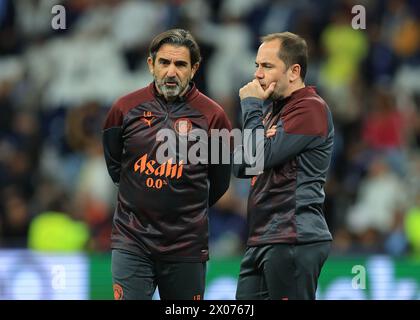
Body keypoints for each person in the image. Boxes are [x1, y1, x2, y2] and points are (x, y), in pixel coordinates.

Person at [102, 29, 232, 300]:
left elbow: (219, 183)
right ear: (151, 65)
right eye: (164, 62)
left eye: (180, 64)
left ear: (194, 68)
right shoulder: (124, 109)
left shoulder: (214, 117)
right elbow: (115, 166)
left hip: (186, 245)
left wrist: (184, 209)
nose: (171, 72)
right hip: (131, 240)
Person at [233, 32, 334, 300]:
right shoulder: (271, 113)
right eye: (257, 65)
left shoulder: (310, 108)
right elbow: (241, 166)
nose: (258, 75)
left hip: (293, 235)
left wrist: (251, 105)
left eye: (267, 66)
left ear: (294, 71)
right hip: (263, 237)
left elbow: (255, 158)